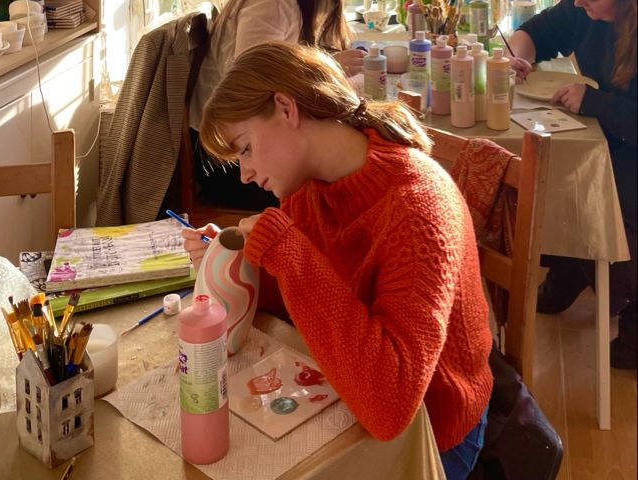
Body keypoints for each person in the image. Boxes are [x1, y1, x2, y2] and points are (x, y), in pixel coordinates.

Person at [185, 41, 494, 478]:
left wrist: (288, 253)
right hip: (350, 388)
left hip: (432, 432)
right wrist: (236, 259)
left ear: (286, 108)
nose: (246, 173)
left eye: (246, 148)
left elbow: (390, 410)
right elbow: (298, 295)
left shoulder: (417, 209)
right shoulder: (310, 186)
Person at [508, 0, 637, 369]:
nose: (579, 2)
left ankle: (621, 301)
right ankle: (571, 264)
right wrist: (518, 56)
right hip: (608, 131)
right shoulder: (584, 4)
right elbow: (536, 30)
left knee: (607, 185)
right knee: (553, 165)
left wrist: (596, 102)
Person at [189, 0, 368, 210]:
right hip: (227, 158)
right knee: (334, 180)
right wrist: (331, 65)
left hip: (247, 144)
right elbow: (252, 77)